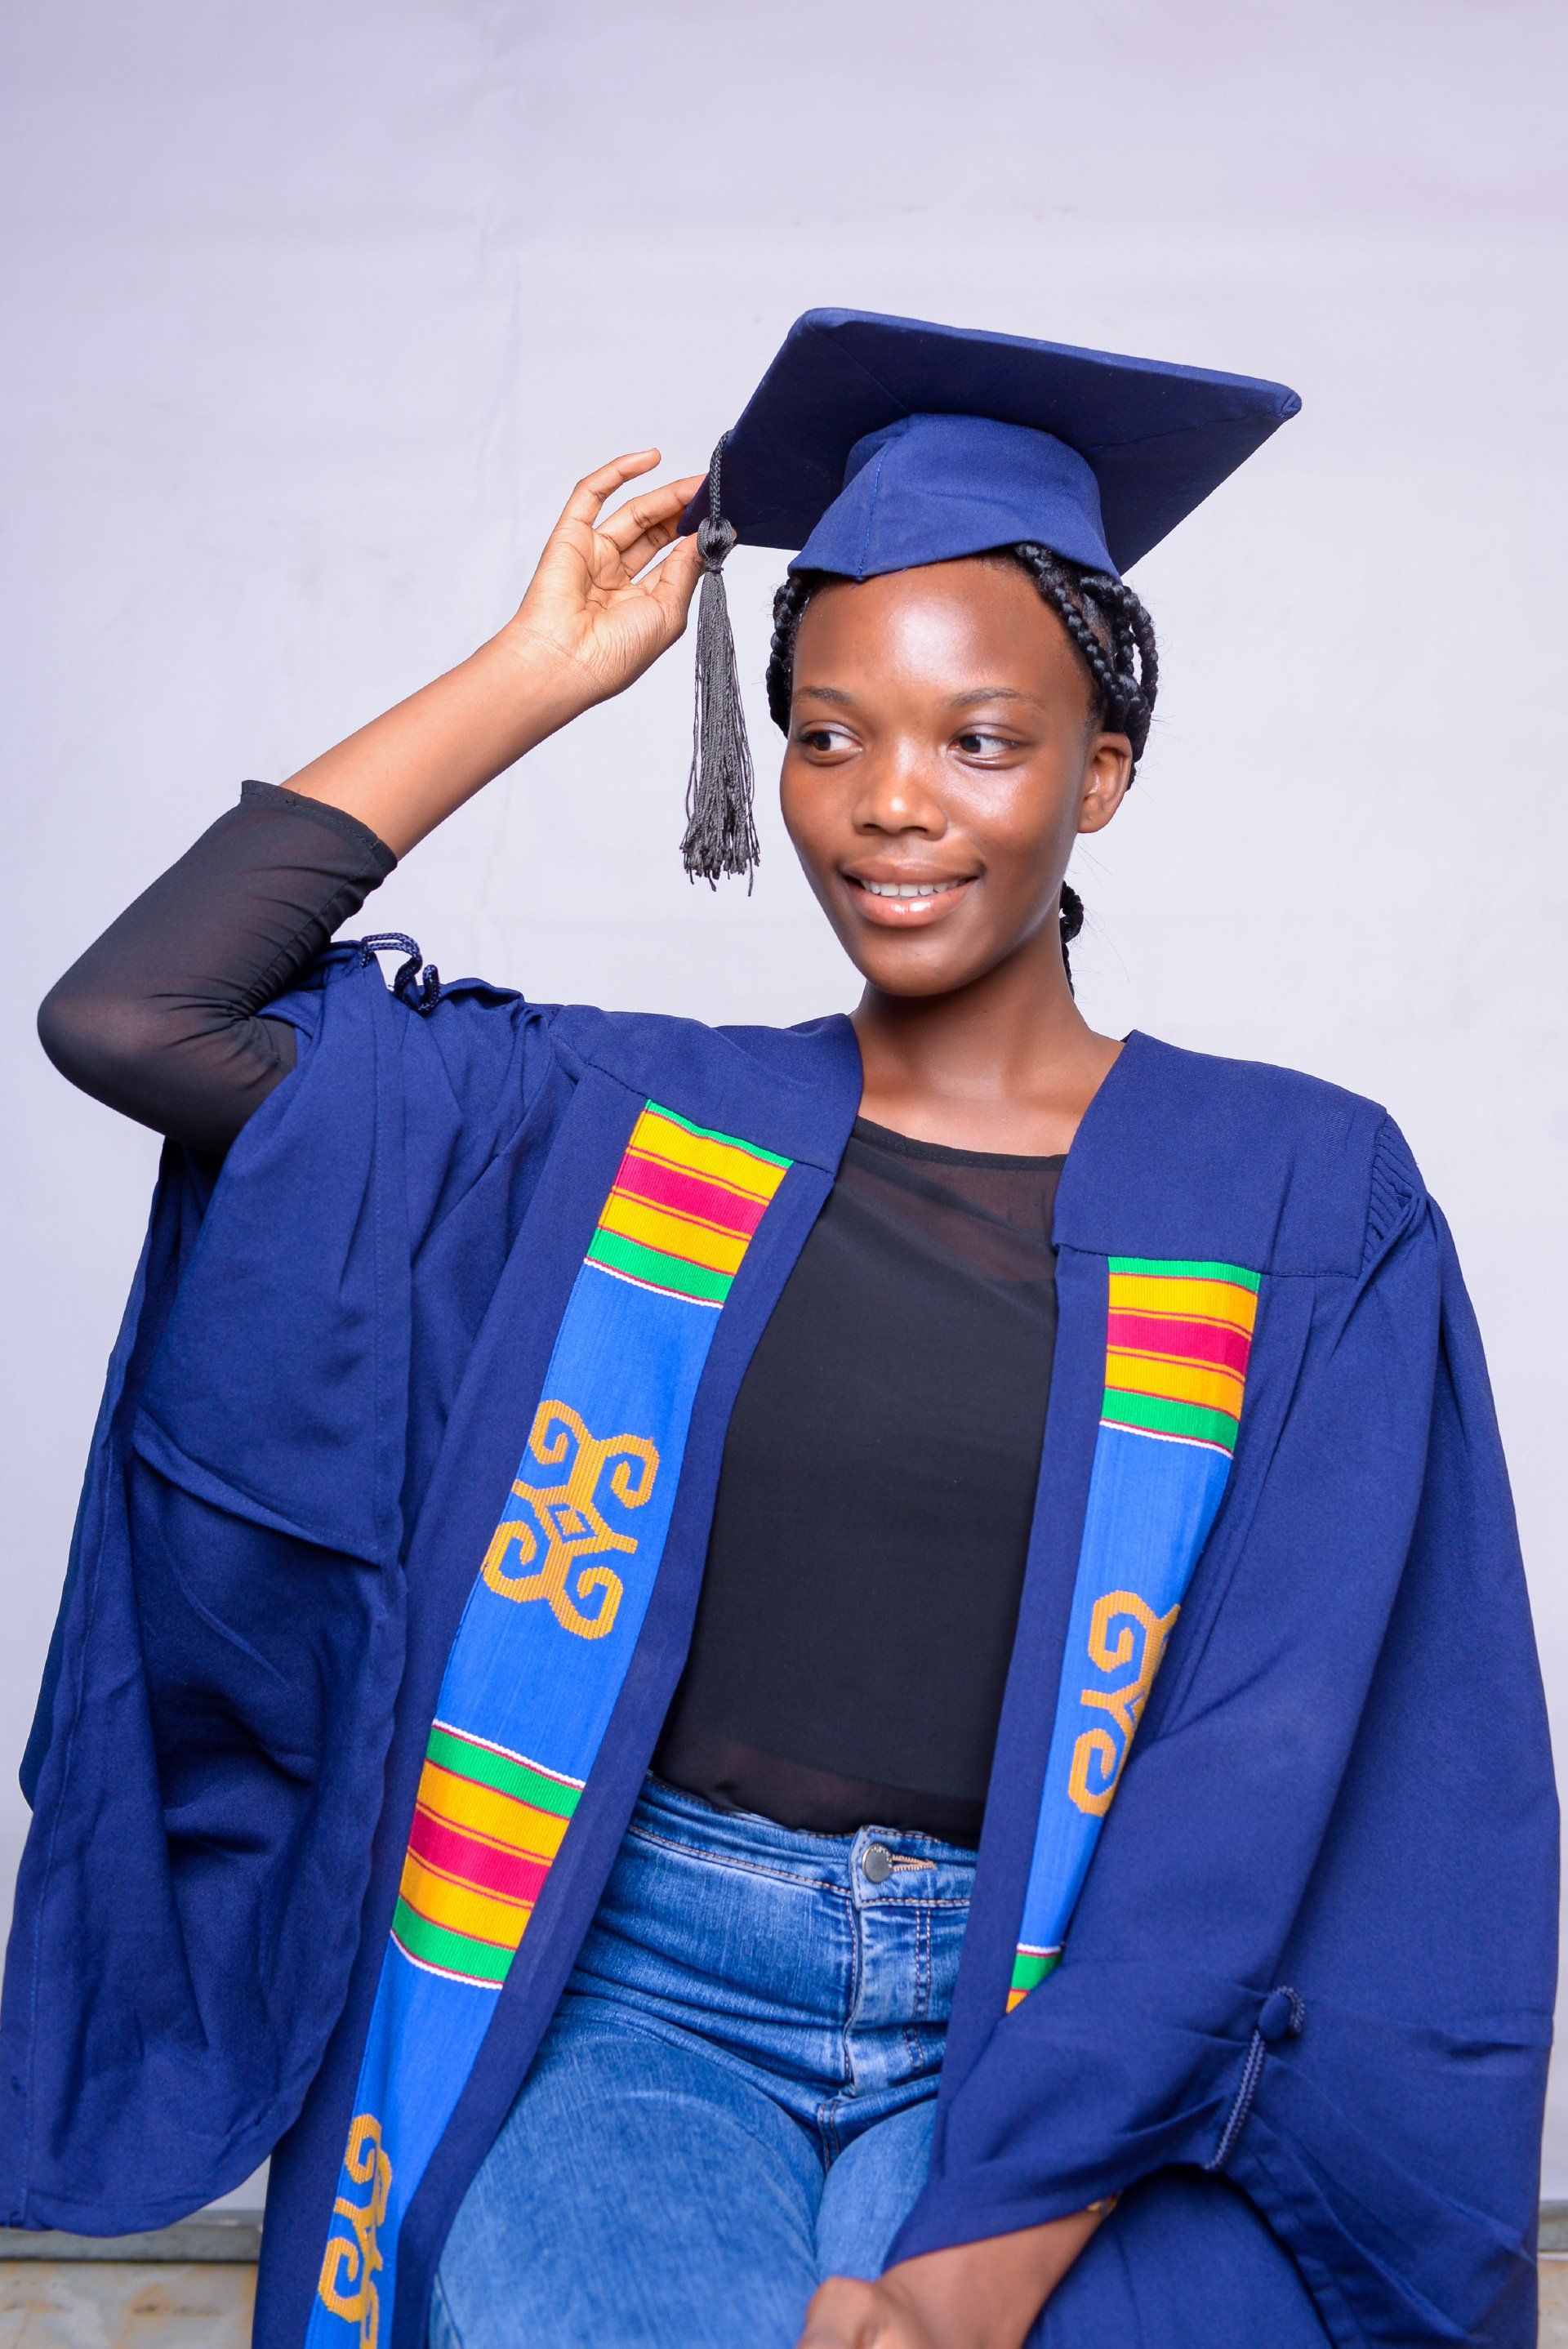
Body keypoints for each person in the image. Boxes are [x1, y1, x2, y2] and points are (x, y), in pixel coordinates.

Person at [3, 310, 1554, 2349]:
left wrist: (970, 2283)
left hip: (1053, 2028)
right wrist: (534, 672)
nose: (890, 803)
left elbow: (1262, 1778)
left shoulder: (1296, 1197)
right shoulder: (612, 1124)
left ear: (1106, 774)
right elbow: (137, 1015)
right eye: (828, 732)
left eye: (979, 739)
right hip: (624, 1998)